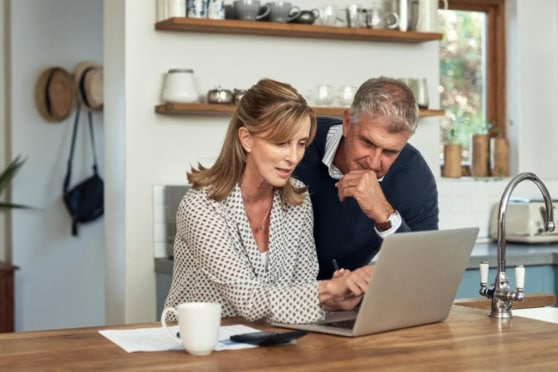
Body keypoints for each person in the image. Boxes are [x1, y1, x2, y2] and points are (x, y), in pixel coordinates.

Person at [164, 78, 371, 324]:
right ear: (246, 139)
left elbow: (300, 288)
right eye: (281, 143)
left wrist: (333, 301)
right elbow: (248, 300)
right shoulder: (201, 206)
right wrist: (326, 290)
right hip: (198, 345)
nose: (293, 157)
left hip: (269, 345)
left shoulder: (298, 202)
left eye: (301, 143)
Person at [294, 76, 439, 280]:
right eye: (368, 143)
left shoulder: (413, 175)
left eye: (390, 152)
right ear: (346, 123)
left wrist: (385, 216)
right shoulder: (298, 144)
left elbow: (424, 272)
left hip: (347, 301)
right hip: (280, 299)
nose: (373, 162)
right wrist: (322, 292)